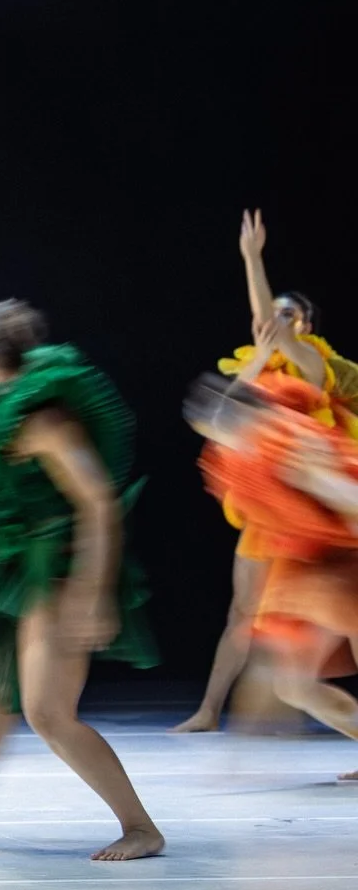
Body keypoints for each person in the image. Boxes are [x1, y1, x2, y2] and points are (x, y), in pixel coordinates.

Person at [0, 300, 163, 860]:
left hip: (64, 564)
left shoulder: (43, 421)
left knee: (47, 712)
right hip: (16, 560)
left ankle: (140, 826)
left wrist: (93, 597)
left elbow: (100, 505)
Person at [175, 210, 358, 732]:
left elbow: (277, 332)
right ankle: (210, 709)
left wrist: (253, 259)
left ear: (306, 327)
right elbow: (221, 414)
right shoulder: (253, 375)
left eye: (289, 317)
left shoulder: (313, 365)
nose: (277, 321)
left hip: (324, 511)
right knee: (245, 615)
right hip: (276, 515)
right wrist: (258, 351)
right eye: (272, 316)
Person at [186, 372, 358, 775]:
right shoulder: (236, 454)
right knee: (291, 683)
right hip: (312, 559)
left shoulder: (287, 444)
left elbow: (347, 497)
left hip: (346, 552)